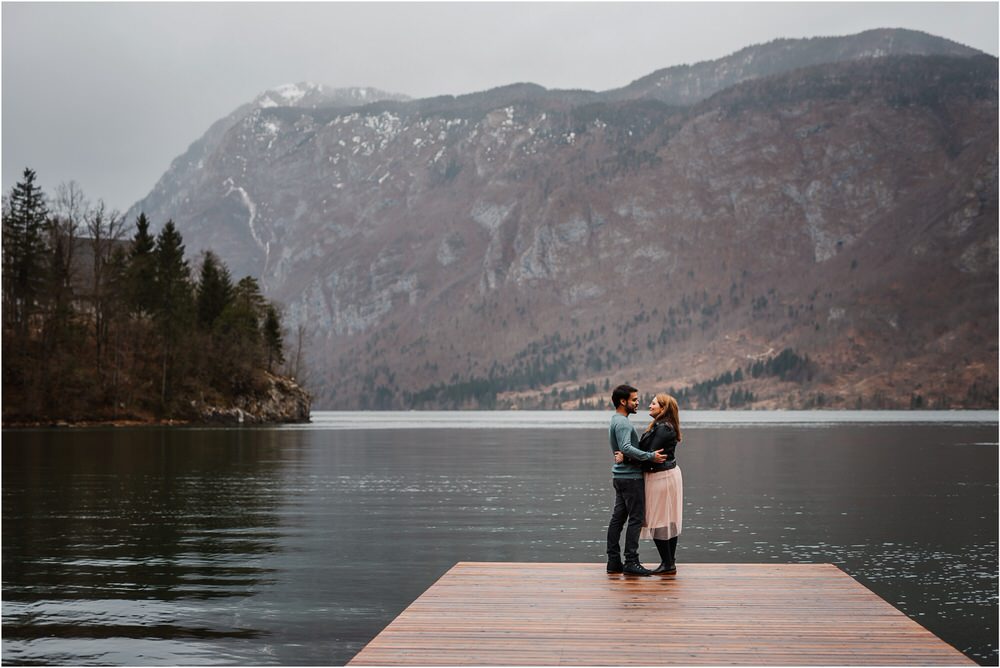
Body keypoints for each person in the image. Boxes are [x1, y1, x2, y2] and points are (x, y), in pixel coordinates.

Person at [606, 384, 666, 576]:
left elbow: (622, 450)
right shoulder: (623, 422)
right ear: (623, 402)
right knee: (635, 519)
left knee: (618, 519)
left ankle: (614, 561)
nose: (638, 402)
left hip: (620, 476)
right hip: (630, 478)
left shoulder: (615, 420)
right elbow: (625, 447)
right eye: (634, 399)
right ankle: (631, 561)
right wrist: (650, 456)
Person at [636, 393, 684, 574]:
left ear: (663, 409)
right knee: (665, 519)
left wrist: (626, 457)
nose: (649, 405)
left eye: (654, 403)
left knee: (659, 520)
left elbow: (649, 453)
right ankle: (669, 562)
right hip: (663, 475)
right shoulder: (661, 426)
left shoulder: (664, 428)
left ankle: (668, 562)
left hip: (662, 477)